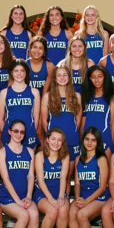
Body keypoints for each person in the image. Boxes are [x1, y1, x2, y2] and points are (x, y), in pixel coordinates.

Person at [0, 120, 38, 228]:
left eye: (22, 132)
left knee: (34, 214)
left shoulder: (30, 152)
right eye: (16, 131)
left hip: (24, 196)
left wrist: (28, 196)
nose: (19, 134)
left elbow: (30, 176)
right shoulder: (2, 152)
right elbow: (6, 178)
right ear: (9, 131)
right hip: (8, 198)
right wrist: (18, 201)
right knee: (24, 215)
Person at [69, 127, 110, 228]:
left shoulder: (101, 159)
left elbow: (103, 187)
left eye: (93, 140)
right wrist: (78, 198)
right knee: (71, 212)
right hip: (84, 197)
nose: (90, 143)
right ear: (83, 140)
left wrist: (86, 201)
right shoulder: (78, 159)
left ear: (98, 142)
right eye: (87, 139)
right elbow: (78, 183)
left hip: (99, 197)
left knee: (81, 215)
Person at [41, 65, 82, 195]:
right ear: (55, 78)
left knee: (67, 176)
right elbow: (43, 120)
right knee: (53, 175)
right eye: (59, 75)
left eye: (65, 75)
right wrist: (52, 138)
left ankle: (65, 203)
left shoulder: (77, 96)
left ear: (69, 77)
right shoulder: (48, 97)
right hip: (54, 143)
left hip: (71, 140)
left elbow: (78, 120)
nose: (62, 78)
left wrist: (72, 133)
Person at [33, 127, 70, 228]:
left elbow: (63, 178)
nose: (56, 142)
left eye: (59, 140)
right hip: (43, 194)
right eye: (53, 139)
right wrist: (50, 199)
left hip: (58, 192)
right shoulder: (40, 156)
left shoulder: (65, 156)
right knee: (52, 210)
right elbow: (41, 181)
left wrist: (61, 197)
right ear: (47, 140)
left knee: (64, 209)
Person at [0, 59, 40, 150]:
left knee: (29, 162)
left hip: (29, 134)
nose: (19, 74)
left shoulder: (34, 92)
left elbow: (36, 117)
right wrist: (8, 132)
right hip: (10, 134)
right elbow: (0, 118)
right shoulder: (4, 93)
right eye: (16, 71)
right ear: (11, 73)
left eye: (22, 71)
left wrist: (32, 131)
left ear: (26, 72)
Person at [81, 65, 114, 161]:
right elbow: (83, 122)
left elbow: (113, 125)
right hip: (87, 141)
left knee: (104, 172)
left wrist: (111, 144)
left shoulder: (111, 98)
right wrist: (82, 140)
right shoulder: (86, 97)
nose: (96, 80)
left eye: (100, 76)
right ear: (89, 79)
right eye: (93, 77)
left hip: (104, 139)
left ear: (105, 77)